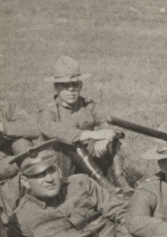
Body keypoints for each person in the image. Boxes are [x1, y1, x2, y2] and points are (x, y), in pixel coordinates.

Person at [7, 140, 139, 237]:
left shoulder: (81, 183)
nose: (49, 179)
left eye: (51, 170)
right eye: (39, 175)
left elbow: (123, 213)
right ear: (25, 182)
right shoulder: (22, 218)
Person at [38, 56, 132, 195]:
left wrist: (104, 138)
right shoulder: (49, 110)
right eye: (65, 85)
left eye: (75, 84)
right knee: (72, 142)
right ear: (56, 88)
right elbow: (53, 130)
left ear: (81, 85)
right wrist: (93, 135)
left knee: (113, 140)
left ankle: (121, 182)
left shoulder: (88, 105)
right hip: (61, 164)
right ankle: (104, 185)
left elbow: (105, 123)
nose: (71, 89)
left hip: (88, 161)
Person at [0, 101, 40, 180]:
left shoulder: (7, 107)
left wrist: (3, 127)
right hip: (6, 166)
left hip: (19, 158)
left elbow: (35, 129)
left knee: (21, 142)